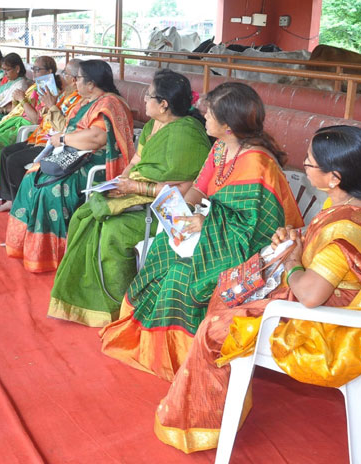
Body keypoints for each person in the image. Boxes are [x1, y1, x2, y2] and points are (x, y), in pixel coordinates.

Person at [153, 125, 361, 453]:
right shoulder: (356, 203)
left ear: (334, 177)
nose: (304, 165)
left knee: (216, 324)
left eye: (310, 163)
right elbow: (325, 257)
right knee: (233, 286)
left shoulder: (347, 227)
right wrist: (296, 238)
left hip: (330, 332)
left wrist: (293, 261)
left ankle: (202, 421)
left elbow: (311, 295)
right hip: (330, 301)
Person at [99, 82, 304, 380]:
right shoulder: (221, 148)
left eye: (209, 115)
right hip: (218, 233)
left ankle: (189, 357)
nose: (203, 118)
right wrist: (180, 214)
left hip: (253, 249)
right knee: (160, 249)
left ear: (229, 126)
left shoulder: (257, 162)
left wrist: (206, 223)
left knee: (182, 276)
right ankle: (149, 344)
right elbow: (199, 188)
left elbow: (256, 226)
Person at [49, 70, 212, 327]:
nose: (144, 100)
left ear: (164, 104)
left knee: (113, 230)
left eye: (148, 96)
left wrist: (134, 186)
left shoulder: (187, 135)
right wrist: (118, 184)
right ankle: (84, 297)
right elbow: (135, 162)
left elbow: (186, 190)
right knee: (84, 216)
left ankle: (119, 305)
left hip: (164, 210)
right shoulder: (151, 126)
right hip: (135, 196)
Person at [5, 60, 135, 273]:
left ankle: (57, 253)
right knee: (32, 175)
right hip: (75, 154)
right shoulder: (88, 101)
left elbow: (97, 138)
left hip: (97, 162)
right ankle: (29, 246)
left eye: (78, 79)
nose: (74, 82)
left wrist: (64, 140)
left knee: (50, 188)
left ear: (92, 83)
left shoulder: (110, 103)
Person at [0, 59, 83, 213]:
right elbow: (45, 117)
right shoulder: (65, 95)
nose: (62, 76)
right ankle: (10, 198)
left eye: (65, 73)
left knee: (13, 161)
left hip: (52, 144)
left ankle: (20, 204)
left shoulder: (78, 101)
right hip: (39, 136)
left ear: (75, 79)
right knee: (6, 152)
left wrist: (51, 106)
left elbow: (64, 128)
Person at [0, 55, 59, 205]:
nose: (35, 72)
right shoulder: (34, 87)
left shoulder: (50, 91)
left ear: (50, 71)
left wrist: (22, 100)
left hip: (26, 126)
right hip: (14, 120)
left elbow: (36, 119)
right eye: (34, 69)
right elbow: (16, 108)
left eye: (38, 69)